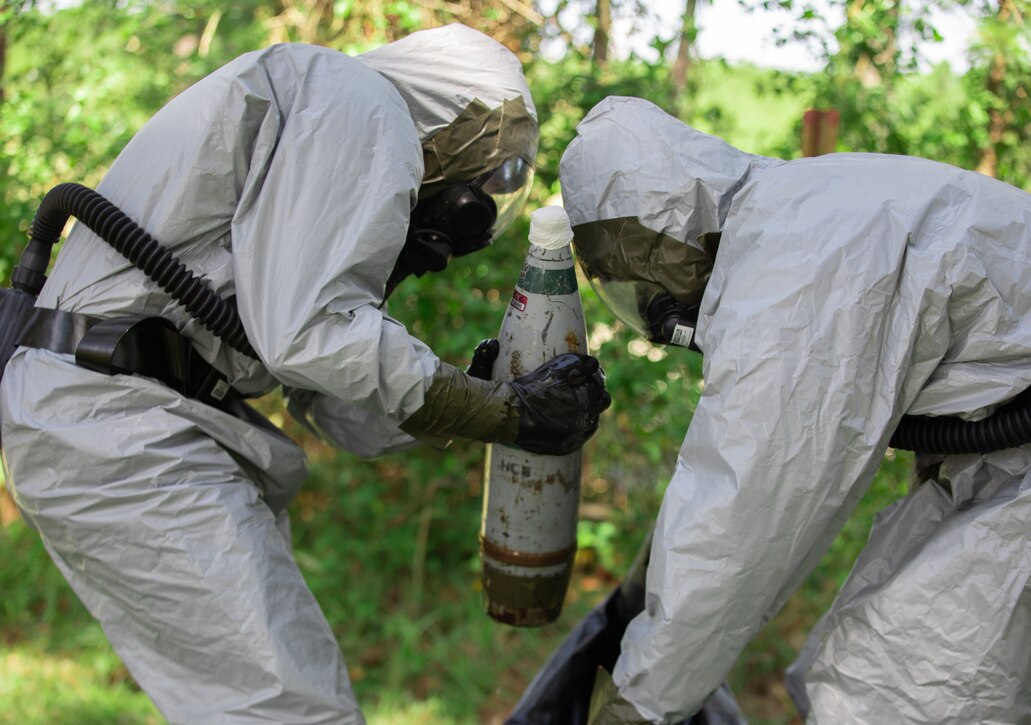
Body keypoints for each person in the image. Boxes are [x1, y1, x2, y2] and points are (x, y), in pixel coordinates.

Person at [0, 24, 610, 723]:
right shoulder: (359, 103)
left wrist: (475, 390)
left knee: (271, 705)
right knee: (292, 710)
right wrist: (500, 413)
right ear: (452, 118)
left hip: (130, 420)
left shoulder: (325, 129)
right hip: (119, 425)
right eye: (492, 170)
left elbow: (325, 394)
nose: (484, 196)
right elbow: (308, 335)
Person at [558, 95, 1031, 724]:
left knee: (892, 698)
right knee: (851, 673)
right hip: (1027, 445)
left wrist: (640, 704)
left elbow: (743, 518)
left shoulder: (790, 271)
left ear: (663, 238)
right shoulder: (794, 210)